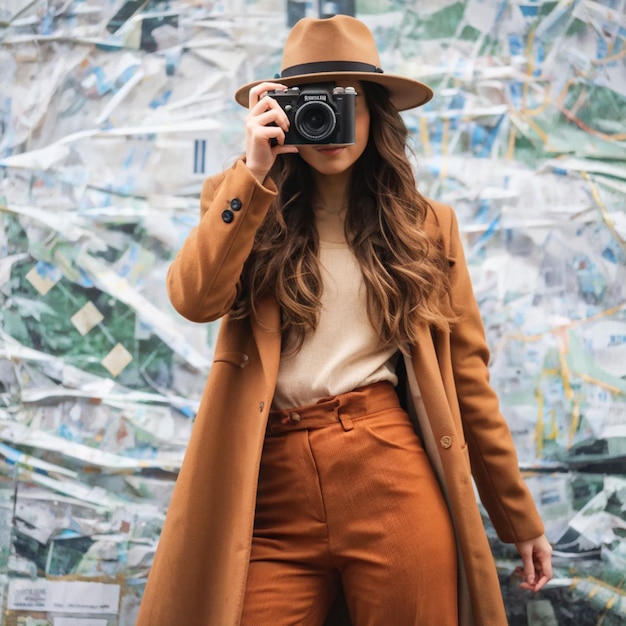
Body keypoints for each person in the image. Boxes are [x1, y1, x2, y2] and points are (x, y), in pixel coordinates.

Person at [136, 14, 553, 626]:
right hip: (270, 483)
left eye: (347, 103)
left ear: (376, 114)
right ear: (281, 110)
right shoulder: (241, 201)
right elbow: (194, 300)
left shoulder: (427, 226)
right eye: (312, 103)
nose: (330, 123)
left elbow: (467, 378)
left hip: (389, 472)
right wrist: (252, 171)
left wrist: (518, 517)